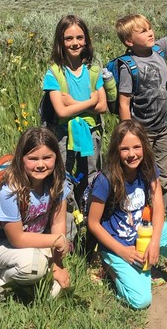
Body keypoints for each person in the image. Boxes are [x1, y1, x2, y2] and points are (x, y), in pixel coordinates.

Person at [86, 120, 167, 310]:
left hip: (140, 235)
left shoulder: (148, 168)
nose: (132, 154)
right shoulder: (106, 179)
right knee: (141, 301)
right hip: (116, 244)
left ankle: (146, 265)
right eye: (125, 149)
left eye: (137, 147)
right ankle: (109, 267)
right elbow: (93, 223)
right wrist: (123, 251)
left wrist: (154, 243)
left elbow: (157, 205)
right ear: (116, 150)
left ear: (144, 147)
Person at [0, 127, 71, 301]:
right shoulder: (10, 191)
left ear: (56, 157)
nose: (41, 164)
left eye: (47, 157)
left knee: (55, 293)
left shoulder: (58, 184)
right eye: (33, 159)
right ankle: (1, 283)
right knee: (34, 265)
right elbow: (16, 238)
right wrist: (56, 241)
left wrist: (58, 265)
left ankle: (28, 284)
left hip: (36, 242)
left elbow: (57, 226)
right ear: (21, 159)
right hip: (2, 244)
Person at [114, 13, 167, 209]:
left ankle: (160, 215)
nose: (150, 33)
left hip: (162, 130)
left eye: (150, 28)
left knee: (163, 173)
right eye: (143, 31)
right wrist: (129, 133)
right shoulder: (128, 67)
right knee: (141, 173)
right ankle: (140, 213)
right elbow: (124, 103)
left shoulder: (159, 50)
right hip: (141, 133)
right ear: (129, 41)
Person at [43, 15, 107, 197]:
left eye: (79, 37)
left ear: (86, 40)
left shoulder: (93, 70)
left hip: (91, 131)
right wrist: (90, 102)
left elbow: (102, 106)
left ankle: (89, 212)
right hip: (63, 134)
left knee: (91, 173)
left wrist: (73, 103)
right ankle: (67, 214)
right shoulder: (54, 73)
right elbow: (61, 112)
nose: (75, 43)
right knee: (63, 173)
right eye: (69, 38)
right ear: (60, 42)